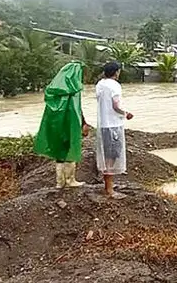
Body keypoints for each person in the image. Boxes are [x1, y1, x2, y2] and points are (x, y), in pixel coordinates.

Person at [33, 61, 91, 189]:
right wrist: (84, 123)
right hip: (70, 123)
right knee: (70, 148)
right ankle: (70, 180)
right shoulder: (74, 91)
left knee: (59, 151)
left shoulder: (53, 91)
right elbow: (76, 110)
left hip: (55, 124)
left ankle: (60, 182)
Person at [95, 61, 134, 198]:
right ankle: (109, 189)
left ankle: (108, 185)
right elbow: (116, 106)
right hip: (113, 125)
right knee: (112, 156)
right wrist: (126, 113)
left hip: (103, 125)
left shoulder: (100, 84)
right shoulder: (114, 85)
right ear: (116, 72)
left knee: (107, 155)